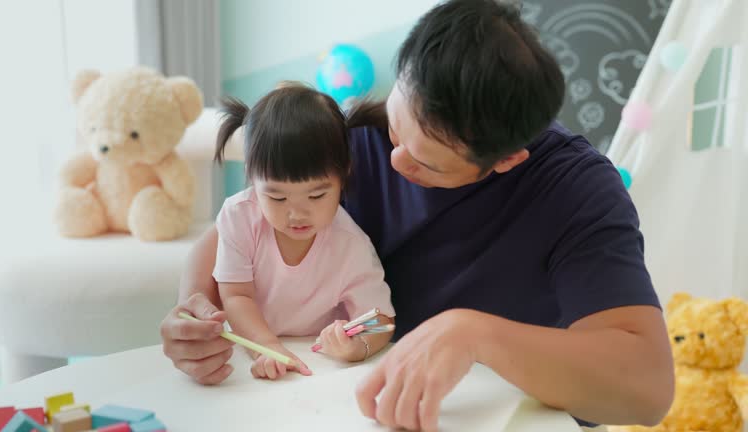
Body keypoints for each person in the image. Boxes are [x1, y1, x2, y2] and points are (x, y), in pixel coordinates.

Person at [160, 0, 674, 430]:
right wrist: (194, 309)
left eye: (427, 162)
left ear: (507, 159)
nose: (394, 161)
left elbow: (647, 390)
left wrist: (475, 335)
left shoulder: (577, 191)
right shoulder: (356, 134)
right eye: (398, 129)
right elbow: (242, 218)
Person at [210, 85, 396, 380]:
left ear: (344, 175)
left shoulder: (351, 244)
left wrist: (355, 348)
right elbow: (235, 296)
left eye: (317, 196)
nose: (297, 215)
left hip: (319, 365)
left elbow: (381, 321)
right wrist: (267, 347)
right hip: (249, 351)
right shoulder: (238, 215)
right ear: (251, 175)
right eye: (278, 198)